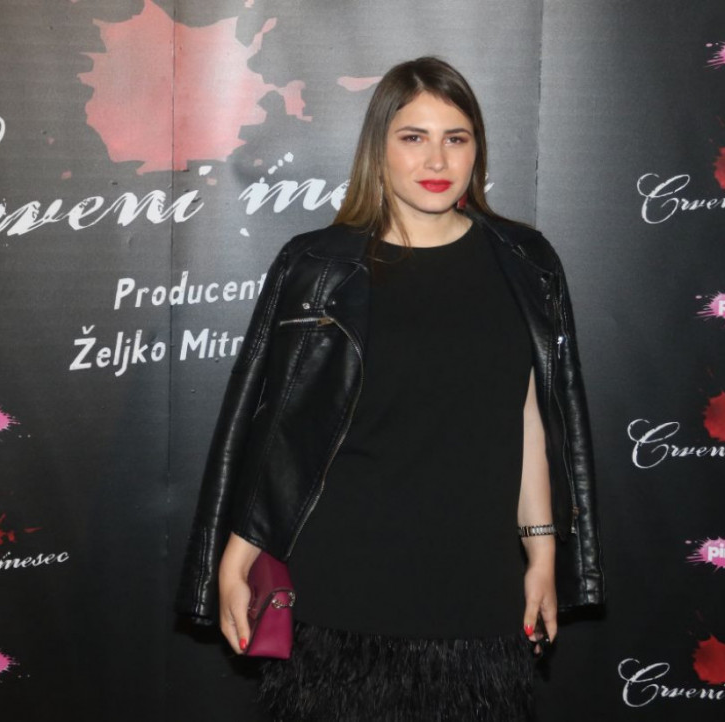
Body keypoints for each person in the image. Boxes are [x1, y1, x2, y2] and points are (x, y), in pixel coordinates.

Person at [177, 56, 604, 721]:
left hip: (477, 586)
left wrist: (544, 554)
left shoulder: (526, 262)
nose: (437, 158)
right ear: (379, 149)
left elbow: (529, 422)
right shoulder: (316, 265)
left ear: (477, 150)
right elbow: (276, 427)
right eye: (413, 137)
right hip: (341, 587)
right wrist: (236, 556)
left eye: (456, 138)